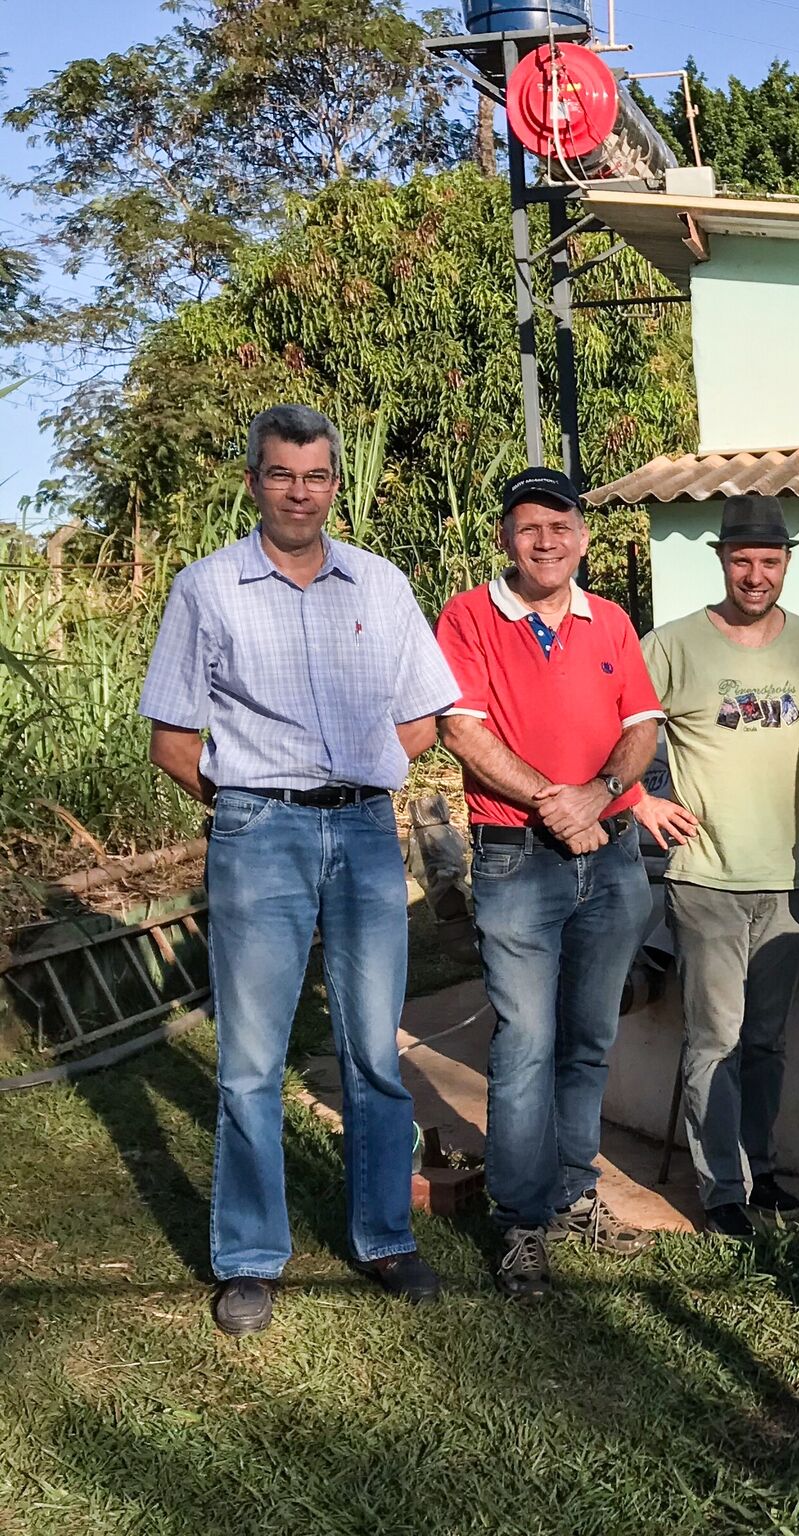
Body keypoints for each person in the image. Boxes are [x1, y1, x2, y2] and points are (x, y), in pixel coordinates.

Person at [139, 404, 460, 1336]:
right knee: (249, 1060)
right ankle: (248, 1256)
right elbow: (171, 737)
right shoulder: (208, 589)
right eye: (282, 474)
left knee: (372, 1047)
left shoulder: (380, 584)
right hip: (259, 835)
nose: (300, 491)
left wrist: (365, 772)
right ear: (255, 481)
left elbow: (426, 713)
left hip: (361, 834)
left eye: (316, 476)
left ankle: (384, 1236)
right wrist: (244, 800)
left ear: (333, 484)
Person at [436, 467, 664, 1298]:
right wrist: (551, 800)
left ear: (583, 538)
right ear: (505, 536)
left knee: (589, 1036)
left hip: (610, 854)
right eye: (528, 526)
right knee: (525, 1042)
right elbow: (461, 729)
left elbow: (641, 729)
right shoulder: (468, 616)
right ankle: (520, 1221)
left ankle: (573, 1193)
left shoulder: (609, 622)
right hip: (515, 853)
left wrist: (599, 796)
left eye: (561, 526)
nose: (546, 540)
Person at [635, 495, 799, 1238]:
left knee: (768, 1042)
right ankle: (720, 1194)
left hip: (789, 880)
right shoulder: (676, 645)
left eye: (769, 561)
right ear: (721, 561)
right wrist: (642, 803)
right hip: (704, 879)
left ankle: (761, 1170)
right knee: (715, 1038)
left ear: (786, 565)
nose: (755, 575)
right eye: (742, 560)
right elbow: (615, 728)